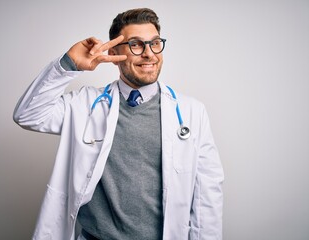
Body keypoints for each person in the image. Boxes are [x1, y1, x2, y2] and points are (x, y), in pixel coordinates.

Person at [13, 8, 224, 240]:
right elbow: (28, 114)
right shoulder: (86, 104)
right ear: (114, 52)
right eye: (136, 45)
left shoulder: (191, 111)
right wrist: (69, 65)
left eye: (155, 43)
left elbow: (207, 194)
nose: (149, 54)